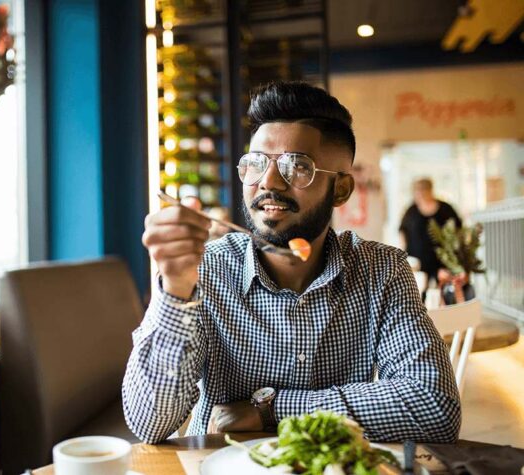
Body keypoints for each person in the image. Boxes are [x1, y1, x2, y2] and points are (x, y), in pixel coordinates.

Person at [123, 81, 460, 445]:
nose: (269, 182)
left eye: (297, 166)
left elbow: (434, 406)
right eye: (255, 164)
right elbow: (148, 424)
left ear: (342, 189)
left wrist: (272, 411)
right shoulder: (205, 270)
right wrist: (174, 288)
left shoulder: (381, 269)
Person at [399, 178, 462, 283]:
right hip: (418, 262)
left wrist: (455, 257)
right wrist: (403, 257)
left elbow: (458, 231)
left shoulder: (446, 209)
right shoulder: (411, 211)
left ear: (431, 190)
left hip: (443, 261)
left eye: (424, 190)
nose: (421, 193)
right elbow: (402, 232)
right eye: (417, 190)